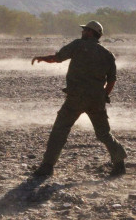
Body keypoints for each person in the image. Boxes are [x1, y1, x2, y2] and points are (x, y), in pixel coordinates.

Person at [31, 20, 127, 177]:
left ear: (90, 32)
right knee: (104, 134)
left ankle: (47, 166)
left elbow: (58, 58)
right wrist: (104, 96)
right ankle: (119, 164)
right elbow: (112, 80)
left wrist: (42, 58)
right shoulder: (108, 55)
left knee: (60, 130)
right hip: (97, 99)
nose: (82, 32)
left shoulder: (77, 45)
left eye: (85, 30)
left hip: (76, 98)